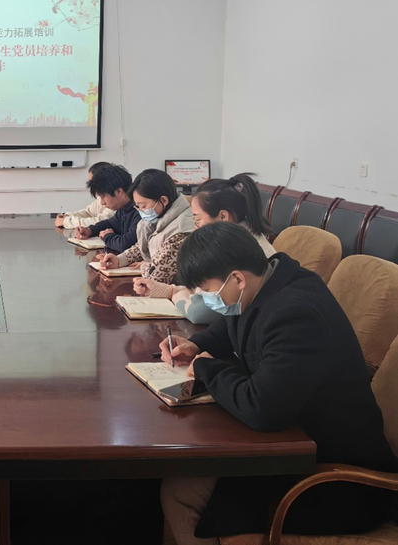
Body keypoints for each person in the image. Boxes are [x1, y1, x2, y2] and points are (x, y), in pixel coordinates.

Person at [160, 222, 398, 544]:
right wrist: (197, 344)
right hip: (294, 444)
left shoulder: (296, 312)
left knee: (190, 496)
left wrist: (207, 368)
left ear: (238, 278)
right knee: (179, 486)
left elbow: (261, 409)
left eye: (206, 290)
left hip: (336, 476)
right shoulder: (267, 282)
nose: (205, 298)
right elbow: (234, 323)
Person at [133, 173, 276, 323]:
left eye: (198, 219)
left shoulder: (237, 249)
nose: (195, 227)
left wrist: (175, 294)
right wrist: (170, 290)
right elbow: (202, 293)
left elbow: (200, 312)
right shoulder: (231, 240)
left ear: (223, 217)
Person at [97, 169, 195, 284]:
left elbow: (156, 277)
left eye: (143, 206)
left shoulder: (180, 230)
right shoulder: (161, 214)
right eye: (138, 206)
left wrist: (144, 265)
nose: (141, 211)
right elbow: (144, 244)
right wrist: (119, 260)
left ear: (163, 200)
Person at [72, 164, 139, 253]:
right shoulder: (124, 208)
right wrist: (90, 230)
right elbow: (110, 223)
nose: (102, 202)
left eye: (103, 197)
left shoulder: (140, 210)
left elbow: (125, 244)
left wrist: (107, 236)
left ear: (119, 191)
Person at [55, 162, 116, 229]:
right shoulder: (101, 197)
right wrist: (67, 216)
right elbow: (88, 213)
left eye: (92, 182)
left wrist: (66, 222)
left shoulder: (115, 200)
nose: (91, 186)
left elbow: (100, 222)